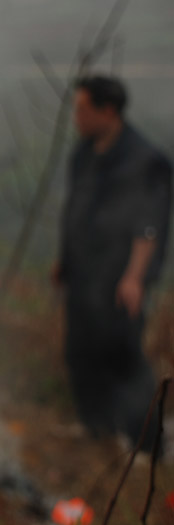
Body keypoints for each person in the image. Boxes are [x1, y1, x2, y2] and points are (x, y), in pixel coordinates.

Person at [54, 75, 172, 448]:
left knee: (122, 356)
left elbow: (149, 224)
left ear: (107, 111)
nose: (77, 117)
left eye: (82, 109)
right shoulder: (84, 154)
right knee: (80, 351)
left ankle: (146, 443)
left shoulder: (145, 160)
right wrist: (64, 260)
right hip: (83, 273)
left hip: (119, 277)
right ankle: (96, 427)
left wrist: (135, 277)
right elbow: (74, 209)